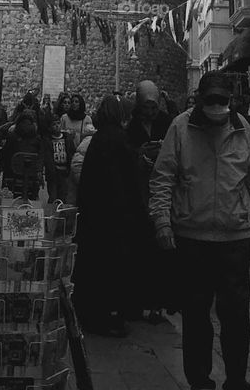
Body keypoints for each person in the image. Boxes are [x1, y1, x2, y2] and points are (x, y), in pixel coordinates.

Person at [149, 69, 250, 390]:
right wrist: (162, 220)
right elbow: (163, 176)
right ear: (201, 99)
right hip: (192, 238)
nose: (216, 106)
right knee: (196, 318)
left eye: (221, 101)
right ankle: (200, 381)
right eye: (211, 100)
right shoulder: (181, 127)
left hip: (234, 239)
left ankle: (237, 381)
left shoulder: (242, 129)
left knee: (236, 319)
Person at [73, 96, 145, 336]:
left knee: (95, 265)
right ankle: (111, 315)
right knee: (113, 268)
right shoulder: (120, 139)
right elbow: (130, 179)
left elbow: (87, 181)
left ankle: (93, 312)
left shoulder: (97, 140)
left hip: (96, 215)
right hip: (117, 216)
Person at [125, 80, 175, 321]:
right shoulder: (131, 125)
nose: (150, 112)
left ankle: (157, 304)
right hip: (138, 195)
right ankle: (136, 300)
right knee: (138, 251)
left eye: (154, 108)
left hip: (162, 195)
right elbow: (126, 152)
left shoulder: (167, 124)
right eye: (146, 107)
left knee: (159, 253)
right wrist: (139, 158)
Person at [0, 107, 56, 200]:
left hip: (13, 175)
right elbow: (41, 157)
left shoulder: (12, 136)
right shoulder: (38, 139)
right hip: (32, 176)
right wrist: (39, 171)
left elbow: (6, 155)